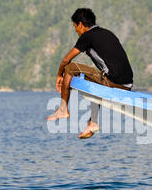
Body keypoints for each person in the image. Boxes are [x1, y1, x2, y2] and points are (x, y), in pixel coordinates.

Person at [46, 8, 134, 139]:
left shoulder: (87, 36)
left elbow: (66, 59)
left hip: (113, 81)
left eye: (75, 26)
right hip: (127, 84)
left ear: (80, 24)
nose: (76, 31)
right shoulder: (107, 33)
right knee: (96, 82)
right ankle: (92, 123)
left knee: (70, 67)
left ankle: (63, 109)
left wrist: (59, 75)